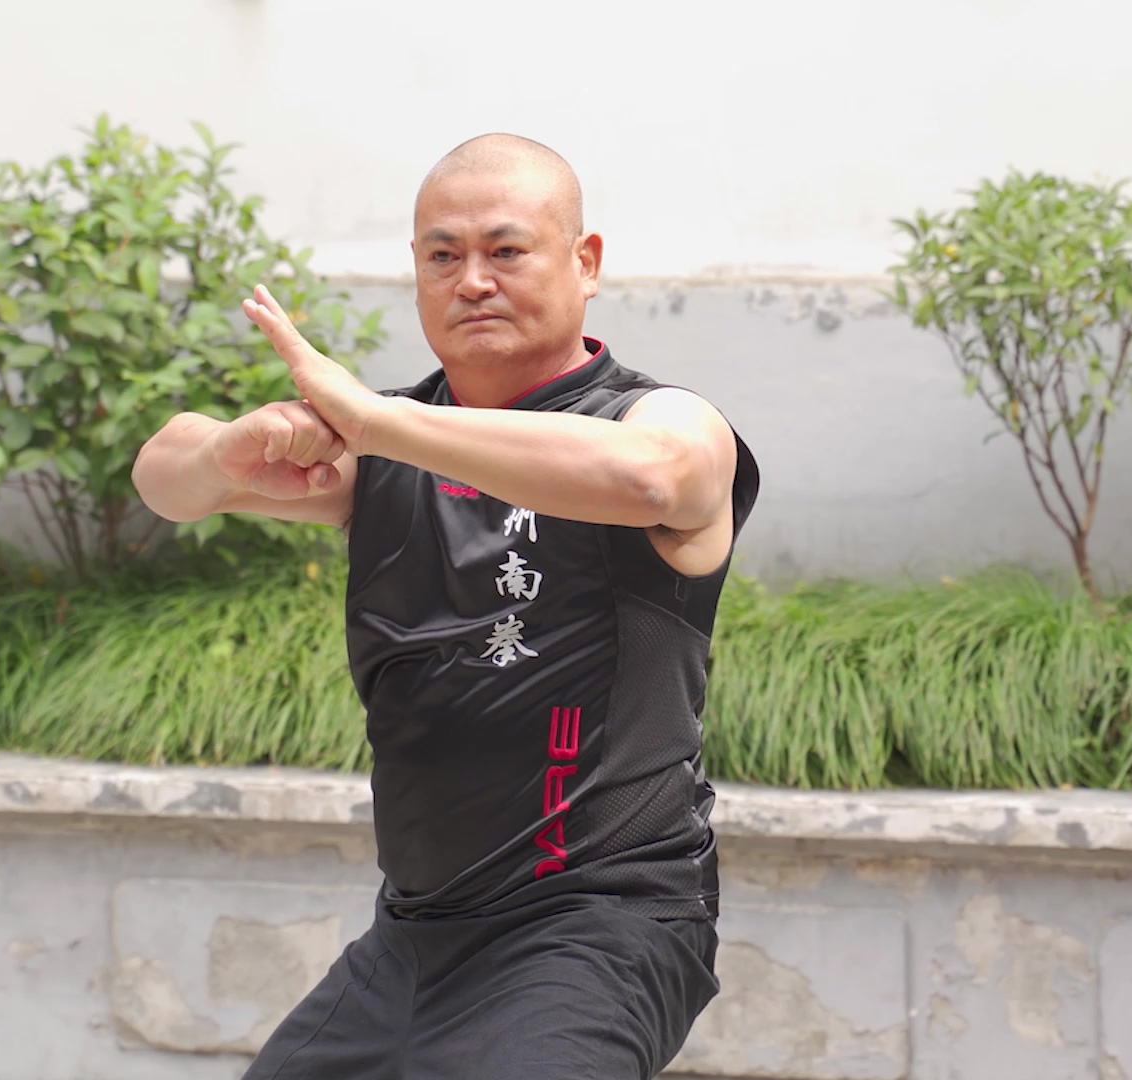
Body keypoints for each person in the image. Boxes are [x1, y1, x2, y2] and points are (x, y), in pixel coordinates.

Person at [132, 133, 761, 1080]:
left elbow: (656, 477)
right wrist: (233, 449)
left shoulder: (654, 419)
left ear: (585, 263)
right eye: (442, 256)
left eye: (506, 251)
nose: (472, 281)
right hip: (413, 936)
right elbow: (164, 477)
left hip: (599, 926)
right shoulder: (385, 447)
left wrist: (380, 423)